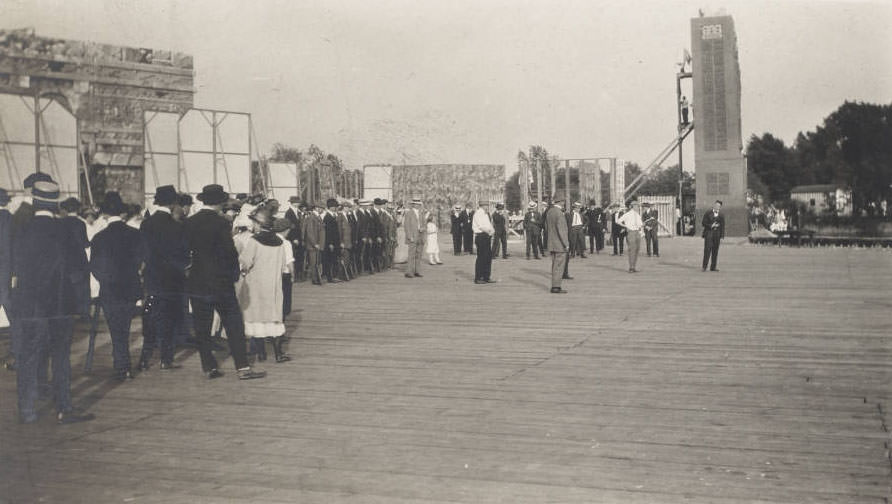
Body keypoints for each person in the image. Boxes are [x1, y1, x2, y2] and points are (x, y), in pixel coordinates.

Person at [11, 180, 94, 424]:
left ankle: (26, 410)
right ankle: (63, 408)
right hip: (60, 305)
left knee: (28, 357)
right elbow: (80, 268)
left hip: (30, 306)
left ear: (34, 201)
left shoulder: (21, 230)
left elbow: (14, 266)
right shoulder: (66, 230)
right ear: (56, 204)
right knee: (60, 357)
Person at [184, 184, 266, 380]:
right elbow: (229, 253)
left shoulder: (190, 222)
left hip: (197, 282)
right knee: (233, 324)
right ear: (220, 202)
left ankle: (209, 366)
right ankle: (243, 367)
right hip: (220, 282)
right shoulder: (222, 223)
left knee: (202, 327)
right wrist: (234, 275)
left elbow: (184, 252)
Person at [89, 192, 144, 381]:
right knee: (125, 326)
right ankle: (122, 361)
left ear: (104, 214)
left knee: (115, 328)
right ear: (121, 212)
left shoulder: (99, 238)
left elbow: (94, 266)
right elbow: (140, 260)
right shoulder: (135, 234)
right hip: (129, 286)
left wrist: (106, 279)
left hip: (110, 288)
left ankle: (122, 364)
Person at [138, 185, 188, 370]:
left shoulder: (146, 224)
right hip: (173, 279)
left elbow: (142, 252)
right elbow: (183, 255)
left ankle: (145, 357)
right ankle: (166, 359)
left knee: (150, 317)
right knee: (169, 319)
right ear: (173, 203)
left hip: (152, 278)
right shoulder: (176, 226)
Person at [238, 209, 291, 363]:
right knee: (274, 318)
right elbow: (282, 265)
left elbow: (246, 262)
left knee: (256, 320)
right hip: (273, 286)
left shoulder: (254, 241)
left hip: (255, 286)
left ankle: (261, 354)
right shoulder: (279, 242)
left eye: (254, 222)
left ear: (259, 224)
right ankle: (278, 354)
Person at [544, 198, 569, 294]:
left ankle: (555, 285)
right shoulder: (560, 214)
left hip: (551, 242)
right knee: (559, 265)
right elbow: (562, 230)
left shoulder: (549, 212)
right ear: (561, 202)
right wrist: (566, 244)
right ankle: (556, 286)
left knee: (554, 265)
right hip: (560, 244)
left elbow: (546, 227)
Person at [615, 199, 644, 273]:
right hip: (631, 233)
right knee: (632, 250)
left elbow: (640, 224)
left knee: (637, 249)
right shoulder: (627, 214)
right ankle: (631, 267)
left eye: (638, 206)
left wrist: (642, 226)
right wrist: (626, 226)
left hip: (637, 232)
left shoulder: (637, 214)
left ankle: (634, 266)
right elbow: (618, 221)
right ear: (632, 206)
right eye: (636, 206)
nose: (638, 207)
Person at [472, 201, 495, 284]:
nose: (487, 207)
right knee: (481, 257)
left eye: (487, 205)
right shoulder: (478, 214)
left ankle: (486, 276)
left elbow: (489, 224)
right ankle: (478, 277)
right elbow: (481, 226)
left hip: (486, 236)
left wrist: (492, 230)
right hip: (481, 236)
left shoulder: (486, 214)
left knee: (488, 257)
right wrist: (489, 232)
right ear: (482, 206)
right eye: (486, 205)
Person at [303, 202, 325, 285]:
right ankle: (314, 279)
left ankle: (317, 277)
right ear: (316, 208)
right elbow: (310, 232)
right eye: (322, 208)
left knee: (316, 262)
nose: (323, 210)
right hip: (313, 245)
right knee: (313, 262)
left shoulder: (317, 217)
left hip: (317, 244)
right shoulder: (312, 217)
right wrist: (314, 243)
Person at [403, 198, 425, 278]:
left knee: (419, 254)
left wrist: (423, 228)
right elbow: (406, 226)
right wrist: (410, 236)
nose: (417, 205)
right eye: (416, 204)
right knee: (411, 255)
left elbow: (424, 224)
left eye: (419, 204)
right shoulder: (409, 213)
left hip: (420, 235)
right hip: (413, 236)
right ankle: (409, 272)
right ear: (413, 205)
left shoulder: (421, 213)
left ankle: (417, 271)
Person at [701, 200, 725, 272]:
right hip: (709, 234)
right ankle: (704, 267)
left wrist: (721, 235)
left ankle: (713, 267)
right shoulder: (708, 213)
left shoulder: (721, 215)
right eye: (716, 205)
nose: (717, 207)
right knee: (707, 250)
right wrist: (711, 225)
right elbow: (703, 223)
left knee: (715, 251)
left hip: (717, 235)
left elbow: (723, 226)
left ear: (720, 207)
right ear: (714, 205)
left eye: (719, 206)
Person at [322, 198, 341, 284]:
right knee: (330, 260)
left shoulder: (333, 216)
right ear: (330, 207)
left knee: (334, 259)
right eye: (334, 207)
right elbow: (328, 232)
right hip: (331, 243)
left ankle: (334, 276)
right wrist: (330, 243)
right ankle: (330, 277)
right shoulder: (327, 217)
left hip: (335, 242)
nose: (335, 208)